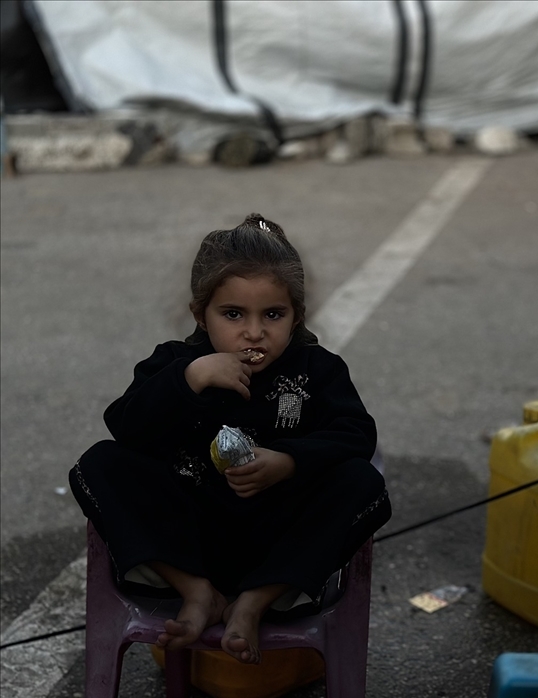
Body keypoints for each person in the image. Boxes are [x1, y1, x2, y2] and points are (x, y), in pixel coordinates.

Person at [70, 213, 391, 665]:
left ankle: (254, 603)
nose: (254, 332)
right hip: (187, 537)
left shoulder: (317, 370)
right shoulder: (178, 363)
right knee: (99, 463)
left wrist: (290, 461)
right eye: (233, 314)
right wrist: (190, 378)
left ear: (297, 315)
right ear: (201, 315)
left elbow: (357, 435)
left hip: (277, 545)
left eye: (273, 315)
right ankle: (197, 592)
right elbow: (125, 426)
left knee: (362, 481)